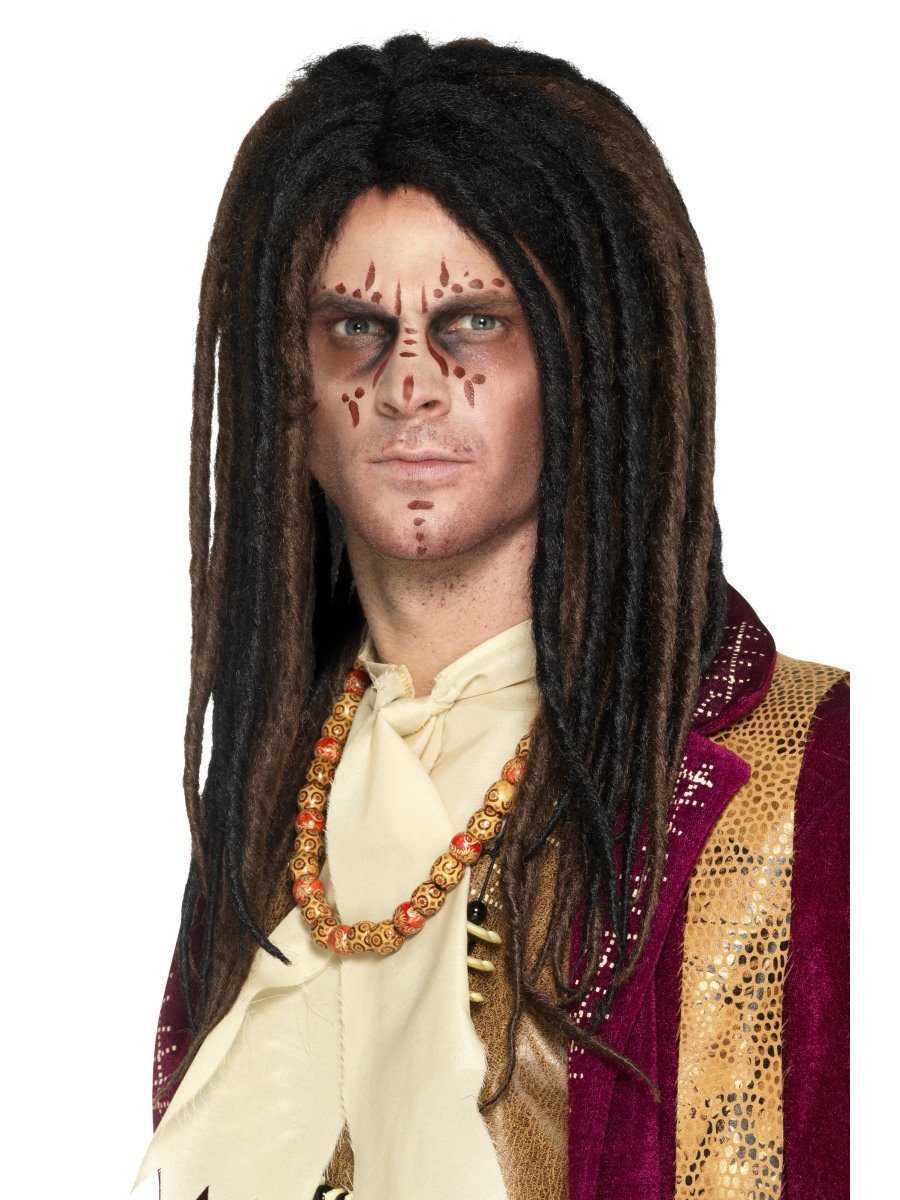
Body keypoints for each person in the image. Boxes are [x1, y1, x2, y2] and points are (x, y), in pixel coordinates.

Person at [134, 33, 849, 1200]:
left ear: (588, 366)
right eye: (354, 326)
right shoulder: (268, 807)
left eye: (474, 321)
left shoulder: (811, 785)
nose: (408, 382)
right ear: (288, 390)